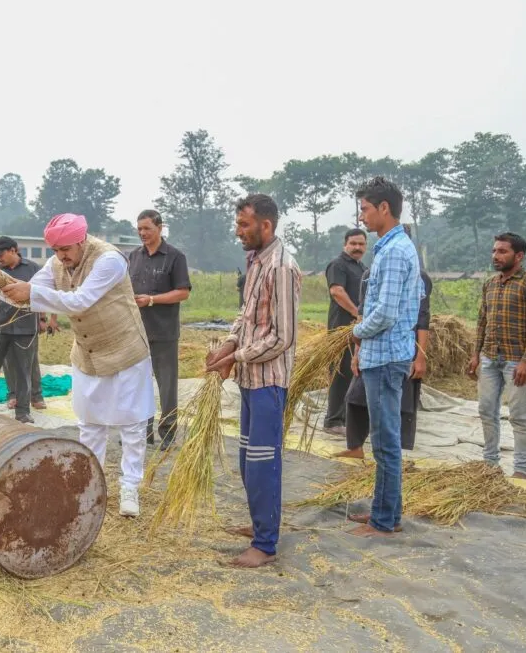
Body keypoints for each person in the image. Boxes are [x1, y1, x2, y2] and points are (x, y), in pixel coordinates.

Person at [0, 213, 154, 517]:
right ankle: (89, 485)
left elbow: (81, 300)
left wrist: (29, 293)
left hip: (125, 350)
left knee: (132, 424)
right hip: (87, 353)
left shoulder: (109, 260)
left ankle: (130, 488)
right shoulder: (57, 262)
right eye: (56, 251)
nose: (61, 257)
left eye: (66, 249)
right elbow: (32, 290)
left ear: (82, 240)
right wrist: (0, 283)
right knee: (90, 423)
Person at [206, 194, 301, 568]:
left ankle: (265, 544)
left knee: (263, 462)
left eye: (245, 225)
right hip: (249, 379)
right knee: (248, 460)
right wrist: (230, 342)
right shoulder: (255, 261)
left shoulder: (281, 267)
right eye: (238, 224)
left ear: (267, 225)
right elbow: (246, 317)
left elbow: (283, 336)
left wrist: (238, 355)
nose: (238, 231)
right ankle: (261, 524)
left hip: (269, 382)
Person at [346, 177, 422, 538]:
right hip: (385, 355)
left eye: (365, 209)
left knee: (385, 441)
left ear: (384, 209)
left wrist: (355, 332)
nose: (362, 216)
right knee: (384, 440)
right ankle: (385, 511)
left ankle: (384, 521)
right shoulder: (394, 247)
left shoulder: (393, 253)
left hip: (386, 357)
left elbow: (386, 314)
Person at [335, 225, 432, 463]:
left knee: (399, 406)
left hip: (397, 350)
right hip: (371, 347)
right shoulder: (370, 274)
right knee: (356, 398)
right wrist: (357, 352)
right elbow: (364, 313)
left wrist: (420, 357)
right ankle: (356, 446)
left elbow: (420, 318)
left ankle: (393, 456)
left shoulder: (418, 276)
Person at [467, 232, 526, 480]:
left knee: (519, 415)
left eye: (502, 251)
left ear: (519, 255)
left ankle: (522, 470)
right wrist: (475, 355)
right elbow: (482, 321)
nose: (496, 256)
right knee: (486, 410)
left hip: (516, 360)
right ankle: (490, 465)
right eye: (494, 251)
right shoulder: (490, 283)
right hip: (490, 358)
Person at [128, 209, 191, 450]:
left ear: (160, 228)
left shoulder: (175, 256)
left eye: (147, 229)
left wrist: (152, 300)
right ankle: (143, 431)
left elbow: (183, 292)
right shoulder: (133, 256)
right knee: (138, 384)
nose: (143, 233)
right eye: (140, 229)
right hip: (137, 333)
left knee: (167, 385)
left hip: (164, 332)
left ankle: (167, 433)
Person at [0, 237, 44, 423]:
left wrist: (43, 319)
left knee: (23, 370)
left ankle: (22, 411)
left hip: (25, 328)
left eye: (1, 254)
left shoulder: (33, 269)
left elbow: (43, 295)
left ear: (14, 250)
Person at [323, 228, 367, 436]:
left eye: (361, 244)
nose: (357, 248)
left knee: (354, 373)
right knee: (341, 373)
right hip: (341, 329)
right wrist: (358, 313)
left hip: (358, 330)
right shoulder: (338, 265)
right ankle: (333, 421)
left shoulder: (362, 267)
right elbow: (337, 292)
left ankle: (348, 418)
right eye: (354, 244)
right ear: (345, 244)